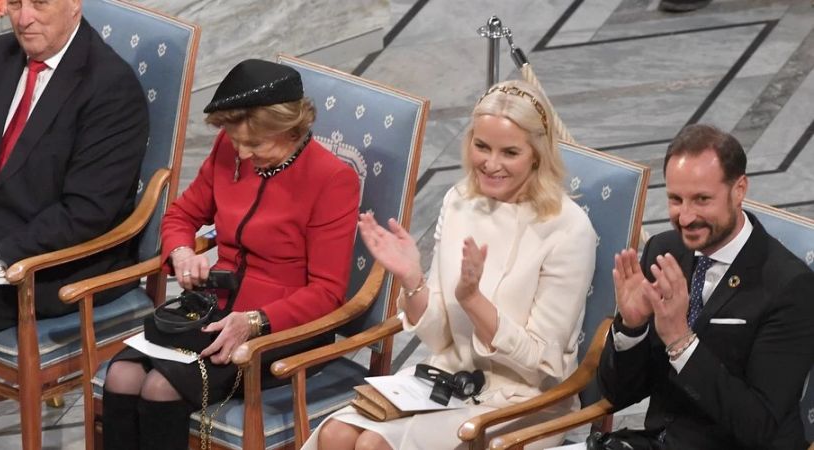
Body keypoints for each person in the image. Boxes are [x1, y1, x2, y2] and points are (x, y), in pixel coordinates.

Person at [305, 80, 597, 450]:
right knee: (335, 435)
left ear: (537, 154)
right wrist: (412, 281)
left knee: (372, 446)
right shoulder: (460, 199)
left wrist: (473, 300)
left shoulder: (568, 228)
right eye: (481, 146)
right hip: (446, 379)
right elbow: (439, 337)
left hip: (527, 401)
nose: (490, 164)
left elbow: (543, 365)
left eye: (509, 152)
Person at [101, 59, 361, 450]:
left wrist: (256, 321)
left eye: (254, 144)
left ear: (290, 129)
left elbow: (327, 292)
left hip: (282, 326)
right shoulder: (230, 147)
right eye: (235, 141)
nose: (240, 153)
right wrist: (182, 250)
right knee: (121, 374)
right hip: (213, 309)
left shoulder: (332, 180)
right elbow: (181, 214)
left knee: (158, 387)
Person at [0, 0, 148, 394]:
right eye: (15, 3)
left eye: (39, 4)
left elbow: (84, 215)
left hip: (39, 266)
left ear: (74, 4)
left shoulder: (111, 88)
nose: (23, 19)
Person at [598, 124, 814, 449]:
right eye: (675, 199)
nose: (685, 217)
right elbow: (618, 393)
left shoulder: (789, 285)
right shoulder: (664, 251)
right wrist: (632, 328)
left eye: (701, 200)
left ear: (739, 189)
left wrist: (681, 341)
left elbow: (760, 426)